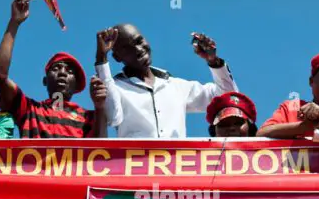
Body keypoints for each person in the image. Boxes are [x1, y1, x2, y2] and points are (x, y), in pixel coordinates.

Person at [94, 24, 238, 138]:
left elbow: (229, 97)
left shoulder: (176, 86)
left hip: (176, 171)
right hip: (137, 169)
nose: (138, 49)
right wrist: (101, 58)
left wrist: (213, 60)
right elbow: (113, 117)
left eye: (139, 41)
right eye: (127, 48)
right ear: (117, 58)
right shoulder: (117, 87)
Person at [0, 0, 105, 138]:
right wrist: (14, 22)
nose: (63, 73)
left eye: (70, 71)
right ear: (45, 81)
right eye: (56, 68)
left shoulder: (88, 117)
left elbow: (100, 153)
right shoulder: (29, 109)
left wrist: (100, 108)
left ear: (76, 85)